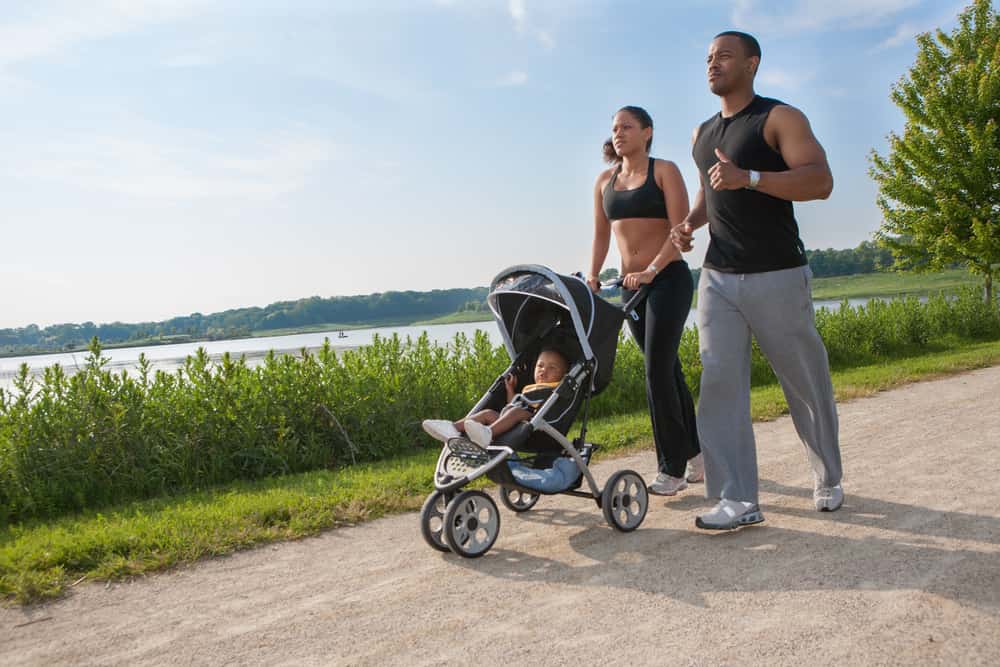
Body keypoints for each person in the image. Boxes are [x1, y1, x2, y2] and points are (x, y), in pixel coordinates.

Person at [671, 31, 844, 530]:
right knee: (720, 384)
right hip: (718, 277)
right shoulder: (700, 134)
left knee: (805, 383)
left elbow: (820, 181)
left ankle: (828, 474)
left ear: (752, 63)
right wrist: (689, 224)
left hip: (778, 272)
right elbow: (711, 194)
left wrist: (752, 178)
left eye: (724, 56)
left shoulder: (780, 118)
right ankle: (737, 498)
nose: (712, 64)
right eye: (707, 58)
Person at [587, 105, 702, 496]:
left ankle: (672, 469)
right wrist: (592, 274)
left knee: (656, 371)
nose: (618, 133)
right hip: (629, 286)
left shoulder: (664, 171)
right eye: (615, 128)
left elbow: (681, 228)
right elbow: (601, 236)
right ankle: (698, 455)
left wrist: (653, 269)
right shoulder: (605, 181)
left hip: (667, 279)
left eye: (627, 127)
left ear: (647, 132)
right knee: (668, 371)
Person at [422, 347, 569, 447]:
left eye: (552, 368)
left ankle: (488, 433)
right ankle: (452, 428)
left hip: (534, 429)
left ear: (563, 375)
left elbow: (532, 411)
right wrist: (510, 389)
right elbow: (514, 404)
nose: (543, 371)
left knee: (518, 412)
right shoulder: (530, 388)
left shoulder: (554, 390)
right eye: (540, 366)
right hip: (511, 422)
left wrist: (520, 412)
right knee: (488, 413)